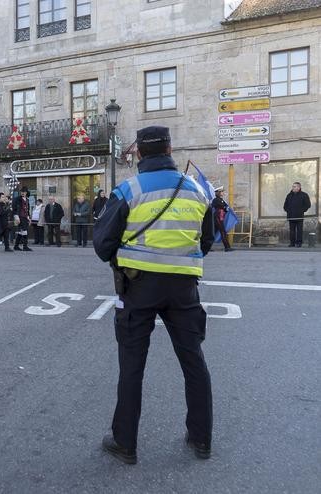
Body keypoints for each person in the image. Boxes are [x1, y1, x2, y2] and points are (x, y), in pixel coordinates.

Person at [93, 126, 214, 465]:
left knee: (132, 367)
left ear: (140, 154)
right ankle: (201, 439)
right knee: (194, 362)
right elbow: (206, 242)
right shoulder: (196, 190)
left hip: (138, 287)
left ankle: (124, 442)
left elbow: (102, 246)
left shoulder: (129, 188)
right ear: (170, 148)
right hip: (183, 289)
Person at [283, 182, 311, 248]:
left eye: (294, 186)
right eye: (292, 186)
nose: (293, 188)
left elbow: (308, 205)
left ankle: (299, 243)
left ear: (299, 187)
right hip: (291, 216)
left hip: (299, 216)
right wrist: (288, 210)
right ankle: (292, 243)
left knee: (299, 231)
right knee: (292, 231)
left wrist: (302, 210)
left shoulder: (304, 195)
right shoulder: (289, 195)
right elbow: (285, 206)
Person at [12, 187, 32, 251]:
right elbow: (14, 209)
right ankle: (25, 246)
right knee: (25, 231)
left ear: (26, 193)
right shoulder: (17, 199)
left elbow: (27, 209)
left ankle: (16, 246)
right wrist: (16, 217)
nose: (23, 193)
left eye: (24, 192)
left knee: (21, 232)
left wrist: (28, 218)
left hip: (25, 217)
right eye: (22, 192)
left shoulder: (27, 199)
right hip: (20, 217)